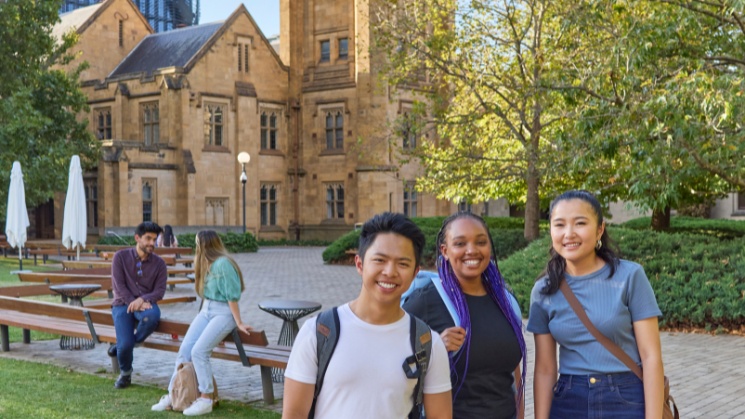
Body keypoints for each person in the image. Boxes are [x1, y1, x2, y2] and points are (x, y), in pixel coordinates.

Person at [282, 212, 453, 419]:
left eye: (403, 263)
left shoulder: (427, 343)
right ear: (360, 264)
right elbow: (294, 414)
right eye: (380, 260)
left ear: (416, 272)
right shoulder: (318, 333)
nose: (390, 272)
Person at [527, 190, 665, 418]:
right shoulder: (544, 290)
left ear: (600, 228)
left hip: (626, 398)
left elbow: (651, 357)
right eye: (559, 225)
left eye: (580, 223)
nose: (569, 234)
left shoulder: (629, 276)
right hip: (569, 399)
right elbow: (544, 369)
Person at [403, 212, 527, 419]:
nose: (472, 250)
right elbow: (395, 366)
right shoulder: (425, 301)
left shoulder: (505, 301)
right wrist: (435, 347)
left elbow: (513, 377)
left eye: (481, 242)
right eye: (460, 243)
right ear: (445, 250)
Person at [150, 230, 251, 415]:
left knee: (199, 352)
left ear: (205, 245)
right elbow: (205, 298)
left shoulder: (223, 264)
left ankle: (206, 399)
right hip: (206, 310)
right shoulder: (205, 262)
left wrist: (239, 322)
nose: (196, 247)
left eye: (197, 243)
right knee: (184, 351)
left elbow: (232, 297)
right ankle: (174, 395)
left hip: (223, 312)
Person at [109, 221, 169, 389]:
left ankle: (122, 346)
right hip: (122, 304)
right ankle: (125, 374)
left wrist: (142, 300)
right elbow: (118, 286)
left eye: (154, 239)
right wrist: (133, 302)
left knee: (151, 318)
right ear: (137, 238)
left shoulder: (160, 264)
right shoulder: (120, 257)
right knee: (125, 345)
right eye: (148, 238)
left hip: (146, 304)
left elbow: (160, 291)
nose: (152, 243)